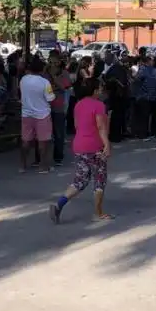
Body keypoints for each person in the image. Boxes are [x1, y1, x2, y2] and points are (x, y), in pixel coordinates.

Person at [49, 78, 113, 223]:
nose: (102, 90)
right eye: (100, 88)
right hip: (95, 146)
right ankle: (98, 213)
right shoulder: (99, 105)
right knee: (99, 179)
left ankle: (59, 204)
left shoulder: (78, 104)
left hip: (79, 145)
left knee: (80, 180)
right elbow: (101, 127)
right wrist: (107, 144)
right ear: (95, 90)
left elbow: (77, 125)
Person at [19, 58, 55, 173]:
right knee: (43, 142)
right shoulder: (45, 82)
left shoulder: (23, 80)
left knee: (25, 141)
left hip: (26, 113)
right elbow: (50, 98)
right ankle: (43, 166)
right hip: (42, 114)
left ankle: (23, 165)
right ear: (42, 69)